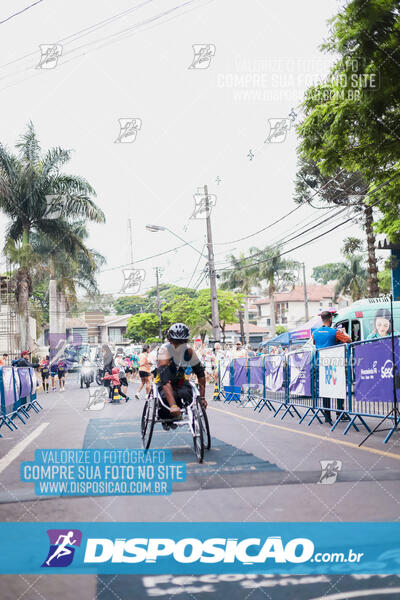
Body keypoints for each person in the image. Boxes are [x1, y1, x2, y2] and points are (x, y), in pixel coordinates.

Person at [156, 322, 206, 430]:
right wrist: (173, 406)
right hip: (164, 382)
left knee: (188, 394)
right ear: (169, 340)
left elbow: (200, 374)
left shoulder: (189, 351)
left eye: (183, 342)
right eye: (176, 342)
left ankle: (184, 414)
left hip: (179, 382)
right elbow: (165, 381)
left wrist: (202, 398)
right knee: (166, 398)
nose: (179, 345)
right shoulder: (164, 351)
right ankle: (167, 416)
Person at [312, 310, 351, 423]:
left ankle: (327, 415)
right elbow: (349, 340)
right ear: (330, 319)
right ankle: (340, 413)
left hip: (321, 363)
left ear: (322, 319)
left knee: (325, 388)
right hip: (335, 363)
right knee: (338, 386)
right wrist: (342, 334)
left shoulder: (315, 333)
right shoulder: (335, 332)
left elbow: (316, 343)